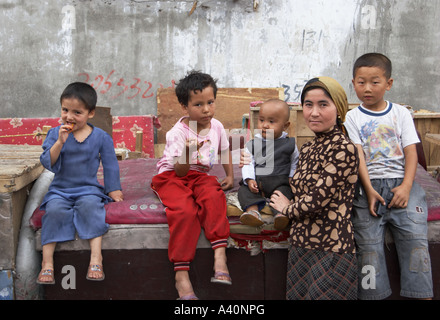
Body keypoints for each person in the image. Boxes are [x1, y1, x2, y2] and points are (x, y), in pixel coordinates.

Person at [345, 52, 433, 300]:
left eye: (375, 82)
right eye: (361, 82)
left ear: (388, 83)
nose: (367, 88)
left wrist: (406, 186)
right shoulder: (353, 117)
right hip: (368, 187)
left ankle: (421, 294)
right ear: (353, 84)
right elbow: (358, 156)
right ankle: (373, 295)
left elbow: (411, 152)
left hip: (402, 183)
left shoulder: (401, 113)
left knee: (416, 244)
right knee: (368, 249)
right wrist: (368, 189)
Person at [268, 77, 360, 300]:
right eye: (308, 105)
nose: (314, 112)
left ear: (338, 109)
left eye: (323, 104)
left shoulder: (344, 148)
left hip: (331, 248)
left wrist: (287, 208)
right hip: (301, 245)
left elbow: (318, 199)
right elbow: (298, 188)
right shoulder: (308, 148)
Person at [151, 70, 234, 300]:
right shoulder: (177, 133)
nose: (206, 109)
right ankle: (181, 275)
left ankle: (220, 256)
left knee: (214, 196)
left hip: (199, 176)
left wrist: (230, 175)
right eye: (198, 104)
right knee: (185, 211)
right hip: (173, 175)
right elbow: (180, 170)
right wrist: (188, 151)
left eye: (210, 102)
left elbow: (225, 149)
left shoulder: (215, 126)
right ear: (184, 107)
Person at [37, 82, 123, 284]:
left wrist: (114, 189)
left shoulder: (101, 137)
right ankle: (47, 263)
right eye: (65, 110)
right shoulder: (54, 134)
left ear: (90, 113)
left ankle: (96, 257)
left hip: (88, 189)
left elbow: (111, 165)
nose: (69, 116)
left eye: (77, 112)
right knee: (54, 212)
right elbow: (48, 162)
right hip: (60, 189)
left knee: (91, 207)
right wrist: (60, 142)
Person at [238, 99, 299, 230]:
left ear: (285, 125)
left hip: (280, 184)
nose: (265, 125)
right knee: (244, 191)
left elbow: (295, 162)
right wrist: (249, 179)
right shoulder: (253, 144)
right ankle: (253, 212)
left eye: (271, 122)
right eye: (261, 120)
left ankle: (281, 214)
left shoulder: (290, 144)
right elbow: (248, 163)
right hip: (258, 185)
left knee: (285, 193)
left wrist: (292, 176)